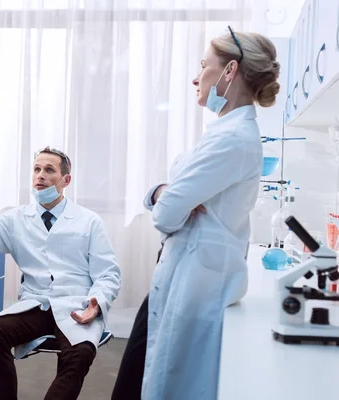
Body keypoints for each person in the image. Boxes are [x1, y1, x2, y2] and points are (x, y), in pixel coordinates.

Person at [112, 27, 280, 400]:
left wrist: (165, 197)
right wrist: (161, 193)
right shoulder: (226, 131)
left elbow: (166, 215)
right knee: (138, 377)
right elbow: (169, 201)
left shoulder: (232, 139)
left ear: (229, 71)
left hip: (194, 286)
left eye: (204, 65)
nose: (195, 76)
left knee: (154, 381)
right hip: (183, 276)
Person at [0, 147, 121, 400]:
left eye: (49, 170)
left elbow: (108, 274)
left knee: (81, 352)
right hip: (37, 304)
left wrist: (96, 304)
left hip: (76, 304)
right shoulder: (16, 218)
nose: (40, 176)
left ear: (66, 180)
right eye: (36, 169)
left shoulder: (89, 221)